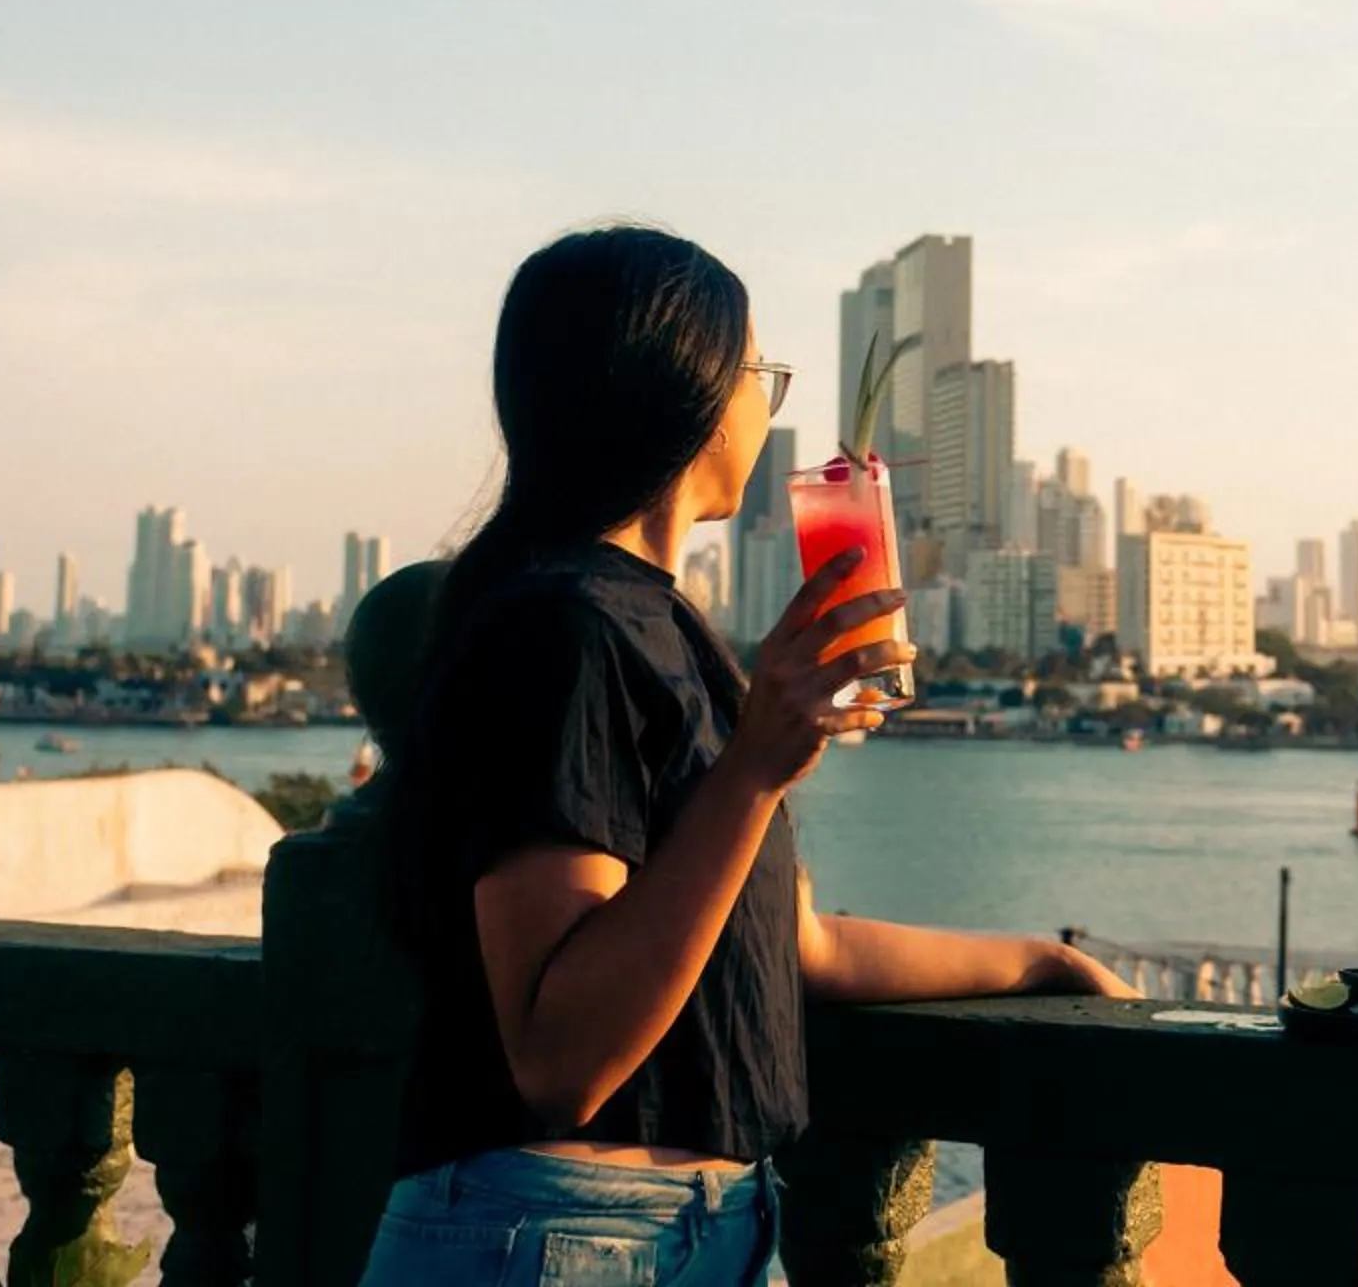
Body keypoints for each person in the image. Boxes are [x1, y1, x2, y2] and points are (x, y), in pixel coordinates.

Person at [367, 226, 1134, 1287]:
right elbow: (559, 1055)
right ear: (686, 392)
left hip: (696, 1231)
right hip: (561, 1233)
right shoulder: (562, 629)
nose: (766, 405)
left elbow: (797, 946)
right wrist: (754, 767)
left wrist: (1040, 963)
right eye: (757, 372)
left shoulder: (661, 627)